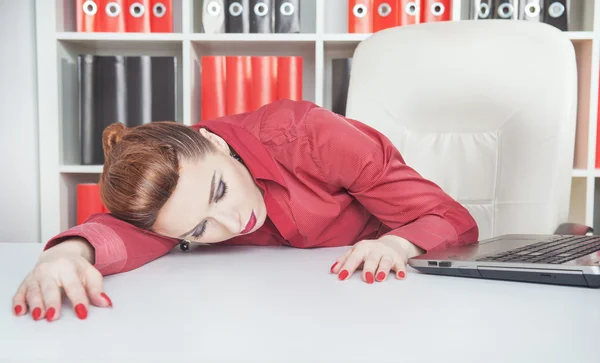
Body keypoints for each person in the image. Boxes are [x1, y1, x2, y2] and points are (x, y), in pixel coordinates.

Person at [11, 99, 479, 322]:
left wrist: (395, 243)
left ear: (214, 141)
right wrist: (62, 256)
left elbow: (452, 217)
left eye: (220, 191)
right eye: (200, 229)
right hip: (295, 309)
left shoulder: (312, 136)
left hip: (399, 301)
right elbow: (123, 233)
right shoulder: (179, 198)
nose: (233, 223)